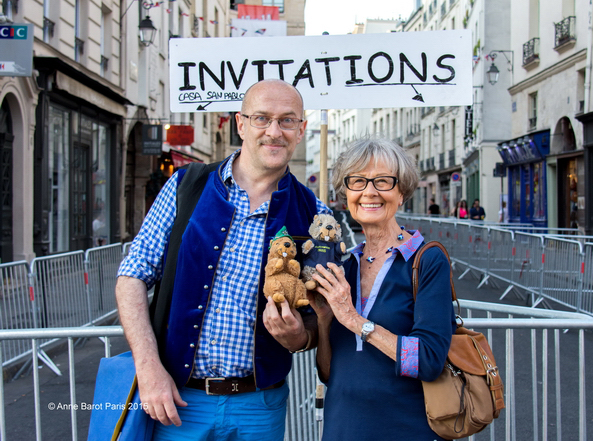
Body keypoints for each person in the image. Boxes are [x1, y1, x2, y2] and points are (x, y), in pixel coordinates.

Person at [115, 79, 329, 440]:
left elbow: (318, 318)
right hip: (177, 401)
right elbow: (132, 276)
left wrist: (299, 338)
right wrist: (149, 368)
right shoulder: (187, 185)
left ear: (301, 129)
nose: (274, 131)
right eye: (261, 118)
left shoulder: (314, 215)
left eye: (287, 120)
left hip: (259, 408)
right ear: (241, 124)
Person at [307, 136, 456, 440]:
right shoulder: (344, 267)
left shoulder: (427, 260)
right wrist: (324, 321)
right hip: (341, 428)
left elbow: (428, 360)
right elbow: (328, 373)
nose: (369, 192)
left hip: (406, 429)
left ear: (402, 193)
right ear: (346, 193)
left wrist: (353, 319)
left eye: (383, 181)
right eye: (357, 181)